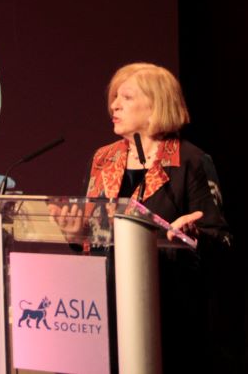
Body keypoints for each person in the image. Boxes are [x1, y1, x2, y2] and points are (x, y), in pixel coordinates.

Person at [86, 62, 231, 371]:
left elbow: (220, 239)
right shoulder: (104, 159)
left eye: (126, 97)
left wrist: (192, 235)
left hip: (168, 307)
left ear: (156, 106)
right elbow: (94, 238)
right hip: (107, 307)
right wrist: (76, 232)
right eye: (114, 97)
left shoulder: (191, 160)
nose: (114, 105)